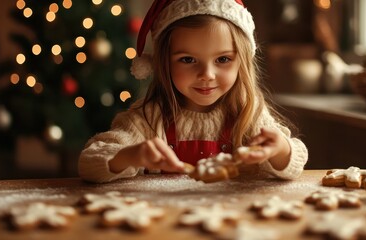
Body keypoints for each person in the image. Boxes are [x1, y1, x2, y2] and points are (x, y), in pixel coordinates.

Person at [78, 0, 308, 183]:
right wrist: (130, 155)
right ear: (163, 63)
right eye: (187, 59)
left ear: (242, 63)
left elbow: (295, 162)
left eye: (223, 59)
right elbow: (89, 163)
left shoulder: (249, 114)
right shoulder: (147, 118)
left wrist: (279, 149)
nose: (207, 74)